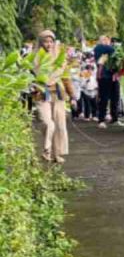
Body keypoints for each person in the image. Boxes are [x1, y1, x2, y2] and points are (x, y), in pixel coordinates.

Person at [32, 30, 77, 163]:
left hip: (58, 94)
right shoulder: (33, 59)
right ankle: (47, 150)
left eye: (51, 41)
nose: (49, 44)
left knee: (59, 124)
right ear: (40, 43)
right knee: (47, 123)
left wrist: (73, 96)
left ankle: (57, 154)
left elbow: (66, 78)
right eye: (46, 41)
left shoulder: (60, 58)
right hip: (41, 94)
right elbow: (28, 77)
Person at [94, 35, 120, 128]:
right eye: (105, 40)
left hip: (113, 76)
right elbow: (110, 50)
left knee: (115, 97)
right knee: (104, 98)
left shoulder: (110, 50)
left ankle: (115, 117)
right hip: (104, 76)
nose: (107, 41)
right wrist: (114, 47)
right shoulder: (99, 48)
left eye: (107, 39)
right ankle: (101, 119)